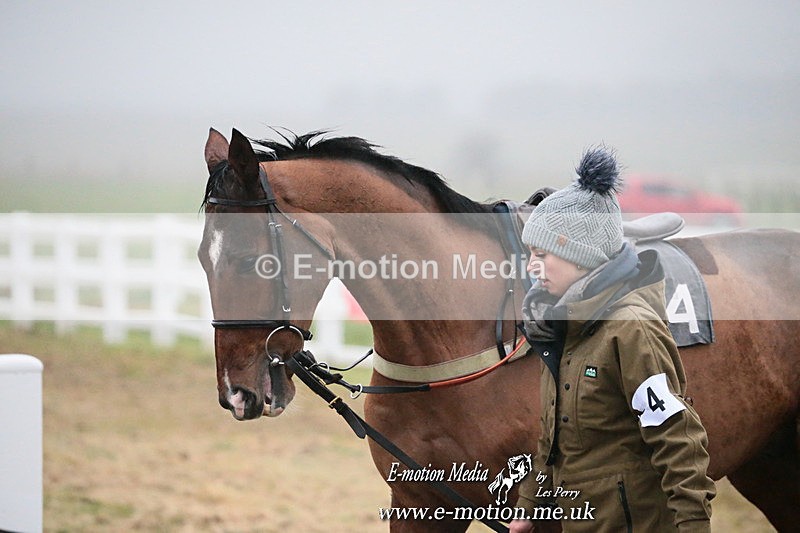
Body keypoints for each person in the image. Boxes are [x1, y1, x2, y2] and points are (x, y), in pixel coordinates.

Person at [509, 147, 715, 532]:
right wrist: (529, 503)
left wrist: (692, 524)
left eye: (542, 253)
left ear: (581, 255)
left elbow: (678, 438)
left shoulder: (631, 328)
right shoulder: (560, 326)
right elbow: (552, 437)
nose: (532, 267)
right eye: (529, 254)